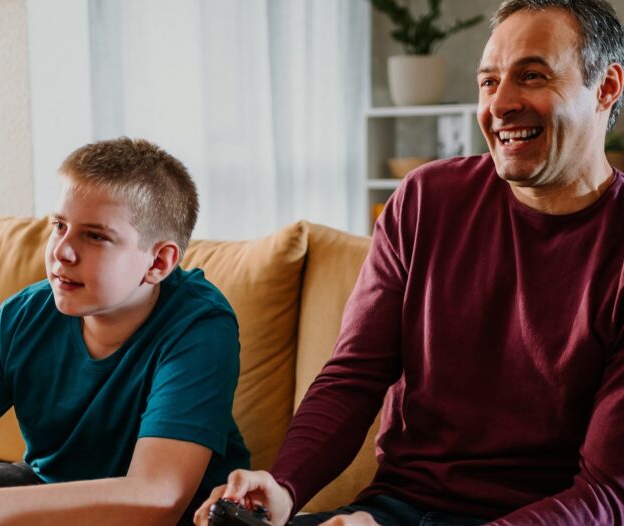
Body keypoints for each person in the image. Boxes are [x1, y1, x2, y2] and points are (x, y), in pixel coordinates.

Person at [195, 0, 624, 525]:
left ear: (606, 87)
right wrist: (283, 485)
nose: (501, 104)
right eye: (488, 82)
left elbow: (607, 494)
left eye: (532, 76)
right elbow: (355, 375)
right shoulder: (427, 199)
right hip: (394, 509)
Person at [0, 137, 249, 525]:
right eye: (59, 226)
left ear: (158, 261)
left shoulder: (199, 325)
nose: (61, 252)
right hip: (48, 490)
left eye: (95, 236)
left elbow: (157, 497)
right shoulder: (22, 319)